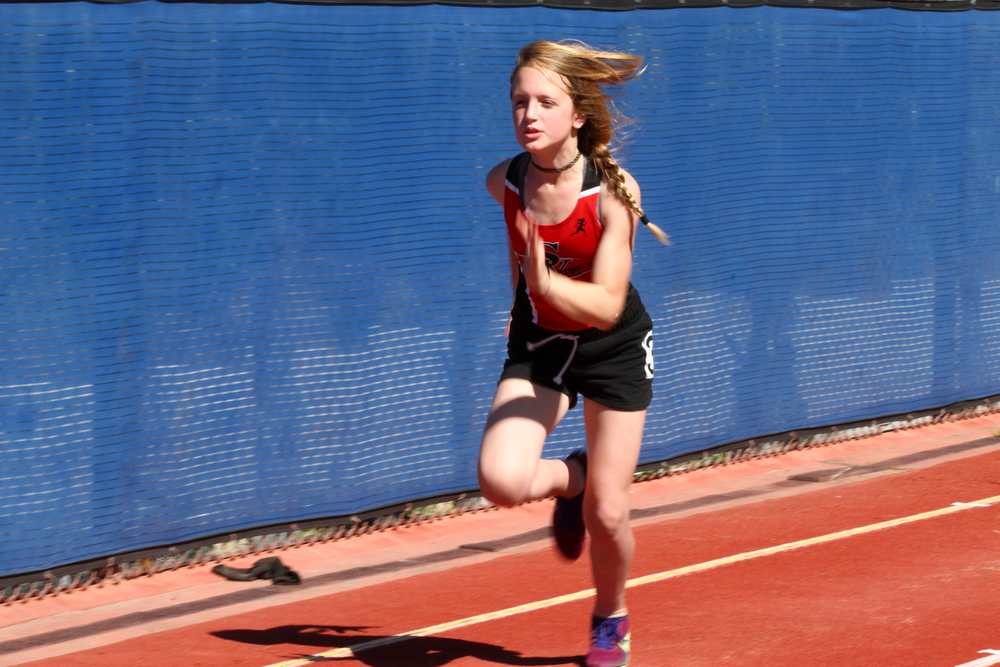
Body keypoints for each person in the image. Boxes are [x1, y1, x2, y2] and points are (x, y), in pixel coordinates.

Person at [477, 39, 665, 667]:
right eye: (519, 102)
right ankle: (572, 479)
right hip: (541, 346)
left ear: (577, 114)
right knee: (501, 482)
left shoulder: (612, 193)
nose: (528, 114)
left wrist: (542, 282)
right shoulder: (505, 180)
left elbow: (607, 304)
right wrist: (522, 304)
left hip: (611, 347)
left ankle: (610, 619)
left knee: (610, 513)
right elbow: (520, 251)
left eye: (545, 103)